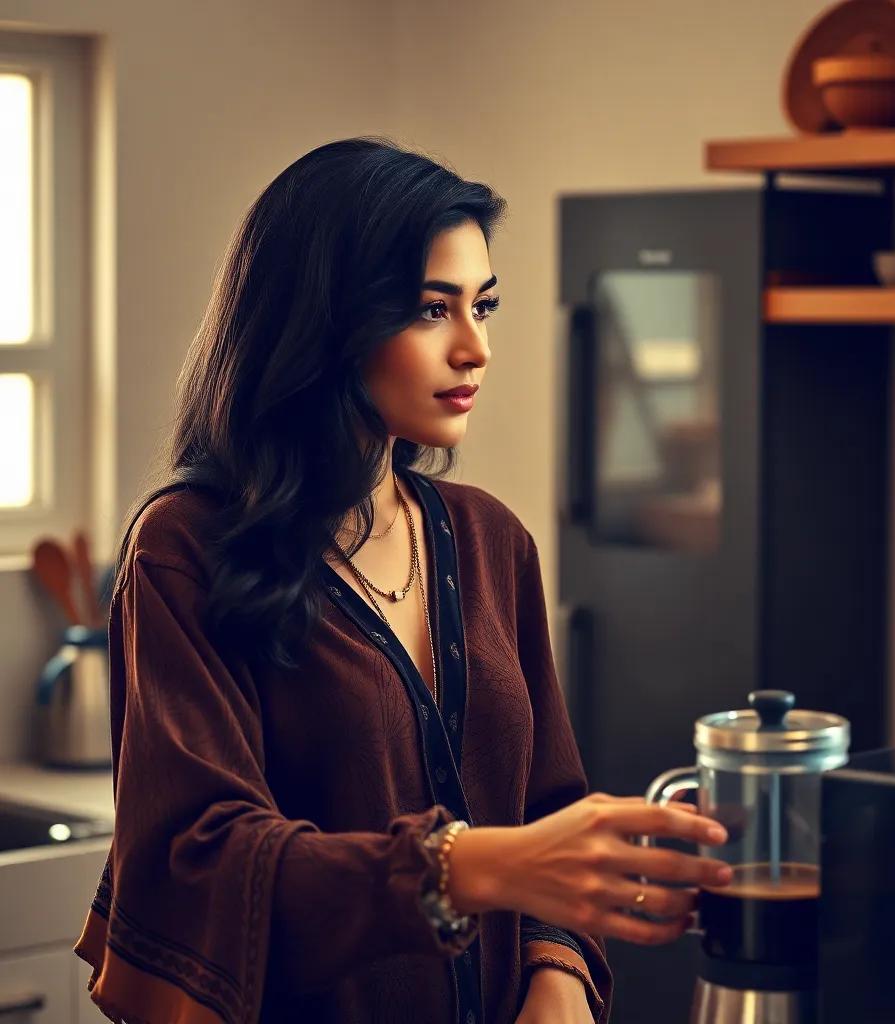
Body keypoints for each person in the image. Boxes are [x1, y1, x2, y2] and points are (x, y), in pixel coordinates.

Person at [72, 137, 733, 1024]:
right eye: (431, 310)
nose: (476, 349)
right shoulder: (185, 548)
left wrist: (559, 973)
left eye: (482, 306)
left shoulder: (491, 539)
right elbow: (205, 859)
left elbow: (549, 803)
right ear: (325, 322)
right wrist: (476, 866)